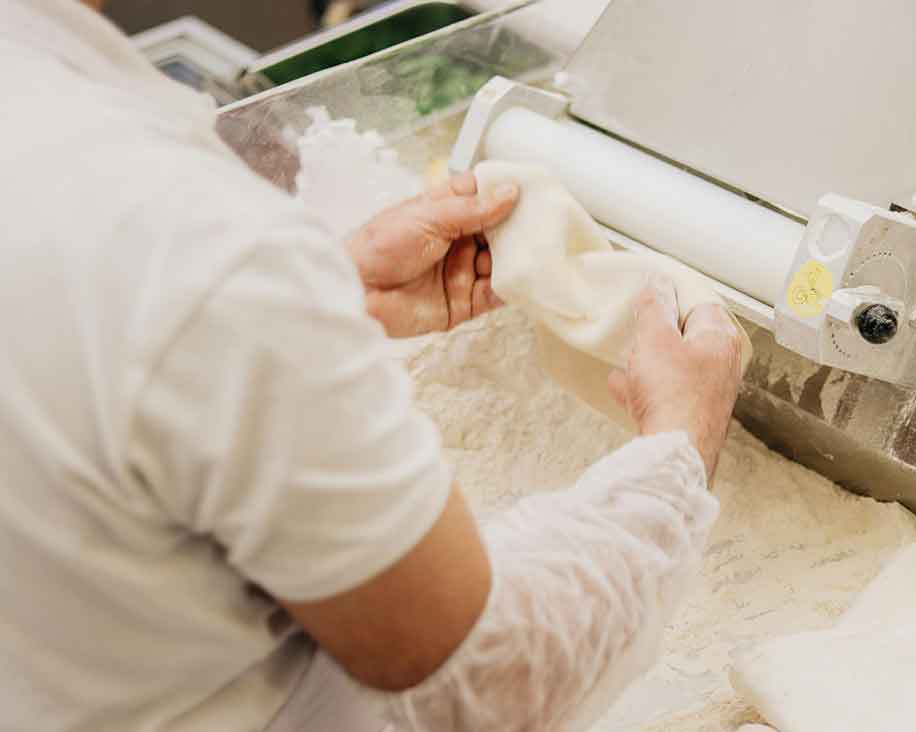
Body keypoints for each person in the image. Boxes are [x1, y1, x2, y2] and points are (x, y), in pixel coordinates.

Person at [0, 1, 743, 730]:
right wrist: (679, 444)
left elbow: (103, 349)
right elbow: (489, 677)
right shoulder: (206, 250)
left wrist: (322, 293)